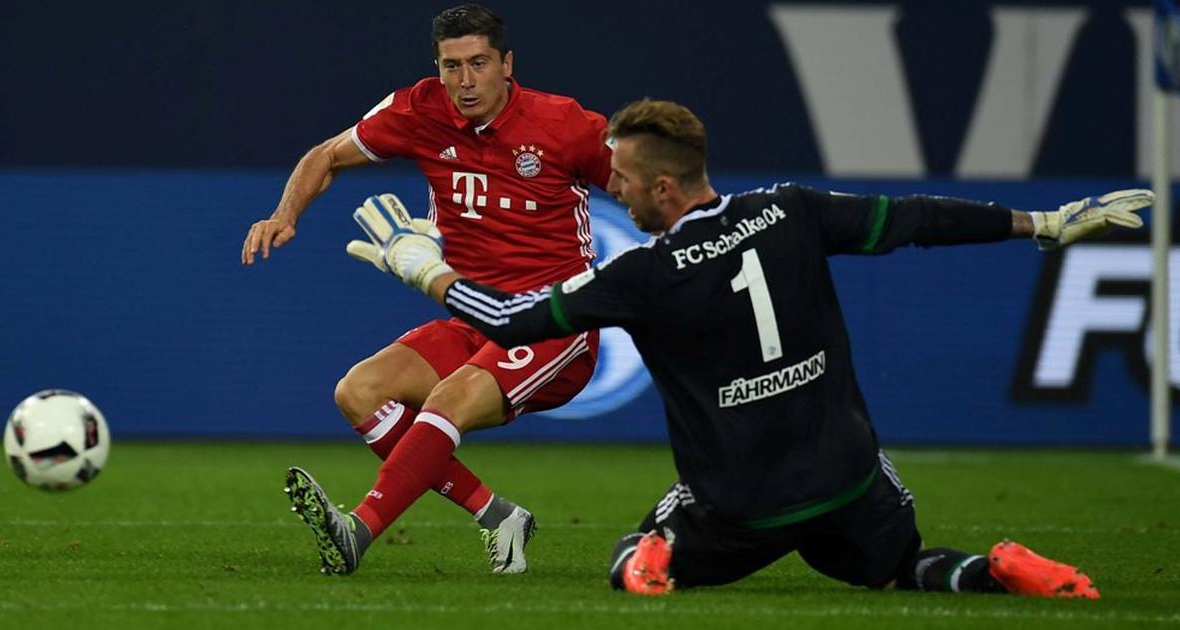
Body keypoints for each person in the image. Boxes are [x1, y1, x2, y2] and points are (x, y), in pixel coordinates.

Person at [342, 98, 1154, 596]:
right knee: (895, 568)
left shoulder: (642, 274)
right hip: (848, 481)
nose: (611, 188)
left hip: (738, 504)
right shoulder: (791, 209)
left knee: (635, 550)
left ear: (663, 188)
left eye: (621, 179)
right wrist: (1040, 224)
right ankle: (986, 571)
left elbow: (515, 323)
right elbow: (918, 220)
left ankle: (647, 569)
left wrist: (428, 273)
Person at [241, 4, 611, 575]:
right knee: (358, 392)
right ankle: (499, 515)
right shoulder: (417, 110)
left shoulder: (564, 124)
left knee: (448, 400)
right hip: (473, 317)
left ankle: (357, 531)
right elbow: (326, 155)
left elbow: (645, 184)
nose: (465, 81)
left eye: (479, 63)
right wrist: (284, 214)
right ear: (437, 68)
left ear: (507, 64)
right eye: (451, 65)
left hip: (552, 319)